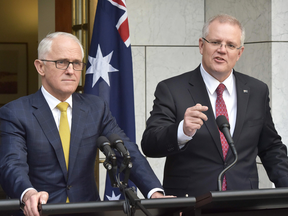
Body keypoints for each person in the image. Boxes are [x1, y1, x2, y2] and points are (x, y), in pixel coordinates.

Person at [0, 32, 166, 216]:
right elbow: (11, 164)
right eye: (61, 62)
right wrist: (28, 193)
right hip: (38, 211)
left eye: (77, 63)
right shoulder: (15, 112)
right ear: (40, 67)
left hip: (87, 210)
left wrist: (155, 193)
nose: (70, 70)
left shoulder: (96, 108)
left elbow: (126, 151)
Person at [141, 14, 288, 198]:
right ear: (202, 45)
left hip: (243, 203)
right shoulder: (172, 89)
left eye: (230, 45)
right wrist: (182, 131)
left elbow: (271, 148)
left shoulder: (257, 90)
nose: (222, 50)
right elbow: (149, 144)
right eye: (215, 42)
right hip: (191, 204)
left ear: (240, 52)